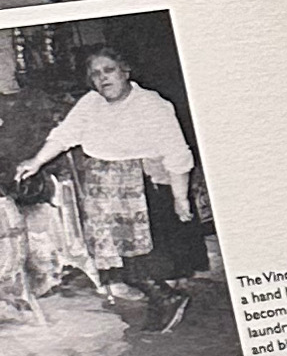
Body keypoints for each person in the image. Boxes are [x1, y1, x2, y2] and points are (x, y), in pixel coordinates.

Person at [13, 46, 196, 319]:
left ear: (125, 71)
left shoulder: (152, 104)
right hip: (102, 189)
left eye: (109, 70)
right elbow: (65, 135)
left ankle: (165, 298)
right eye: (95, 74)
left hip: (142, 189)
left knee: (144, 256)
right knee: (111, 253)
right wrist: (36, 161)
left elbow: (177, 154)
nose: (102, 78)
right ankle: (161, 297)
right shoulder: (90, 103)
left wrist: (180, 198)